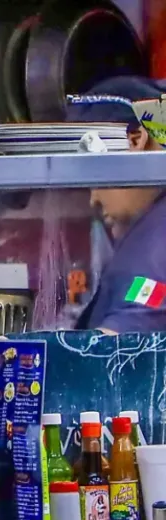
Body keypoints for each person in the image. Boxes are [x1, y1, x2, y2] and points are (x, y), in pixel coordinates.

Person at [67, 76, 166, 333]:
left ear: (136, 140)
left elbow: (116, 344)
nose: (93, 199)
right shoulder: (149, 230)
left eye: (96, 176)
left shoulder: (159, 238)